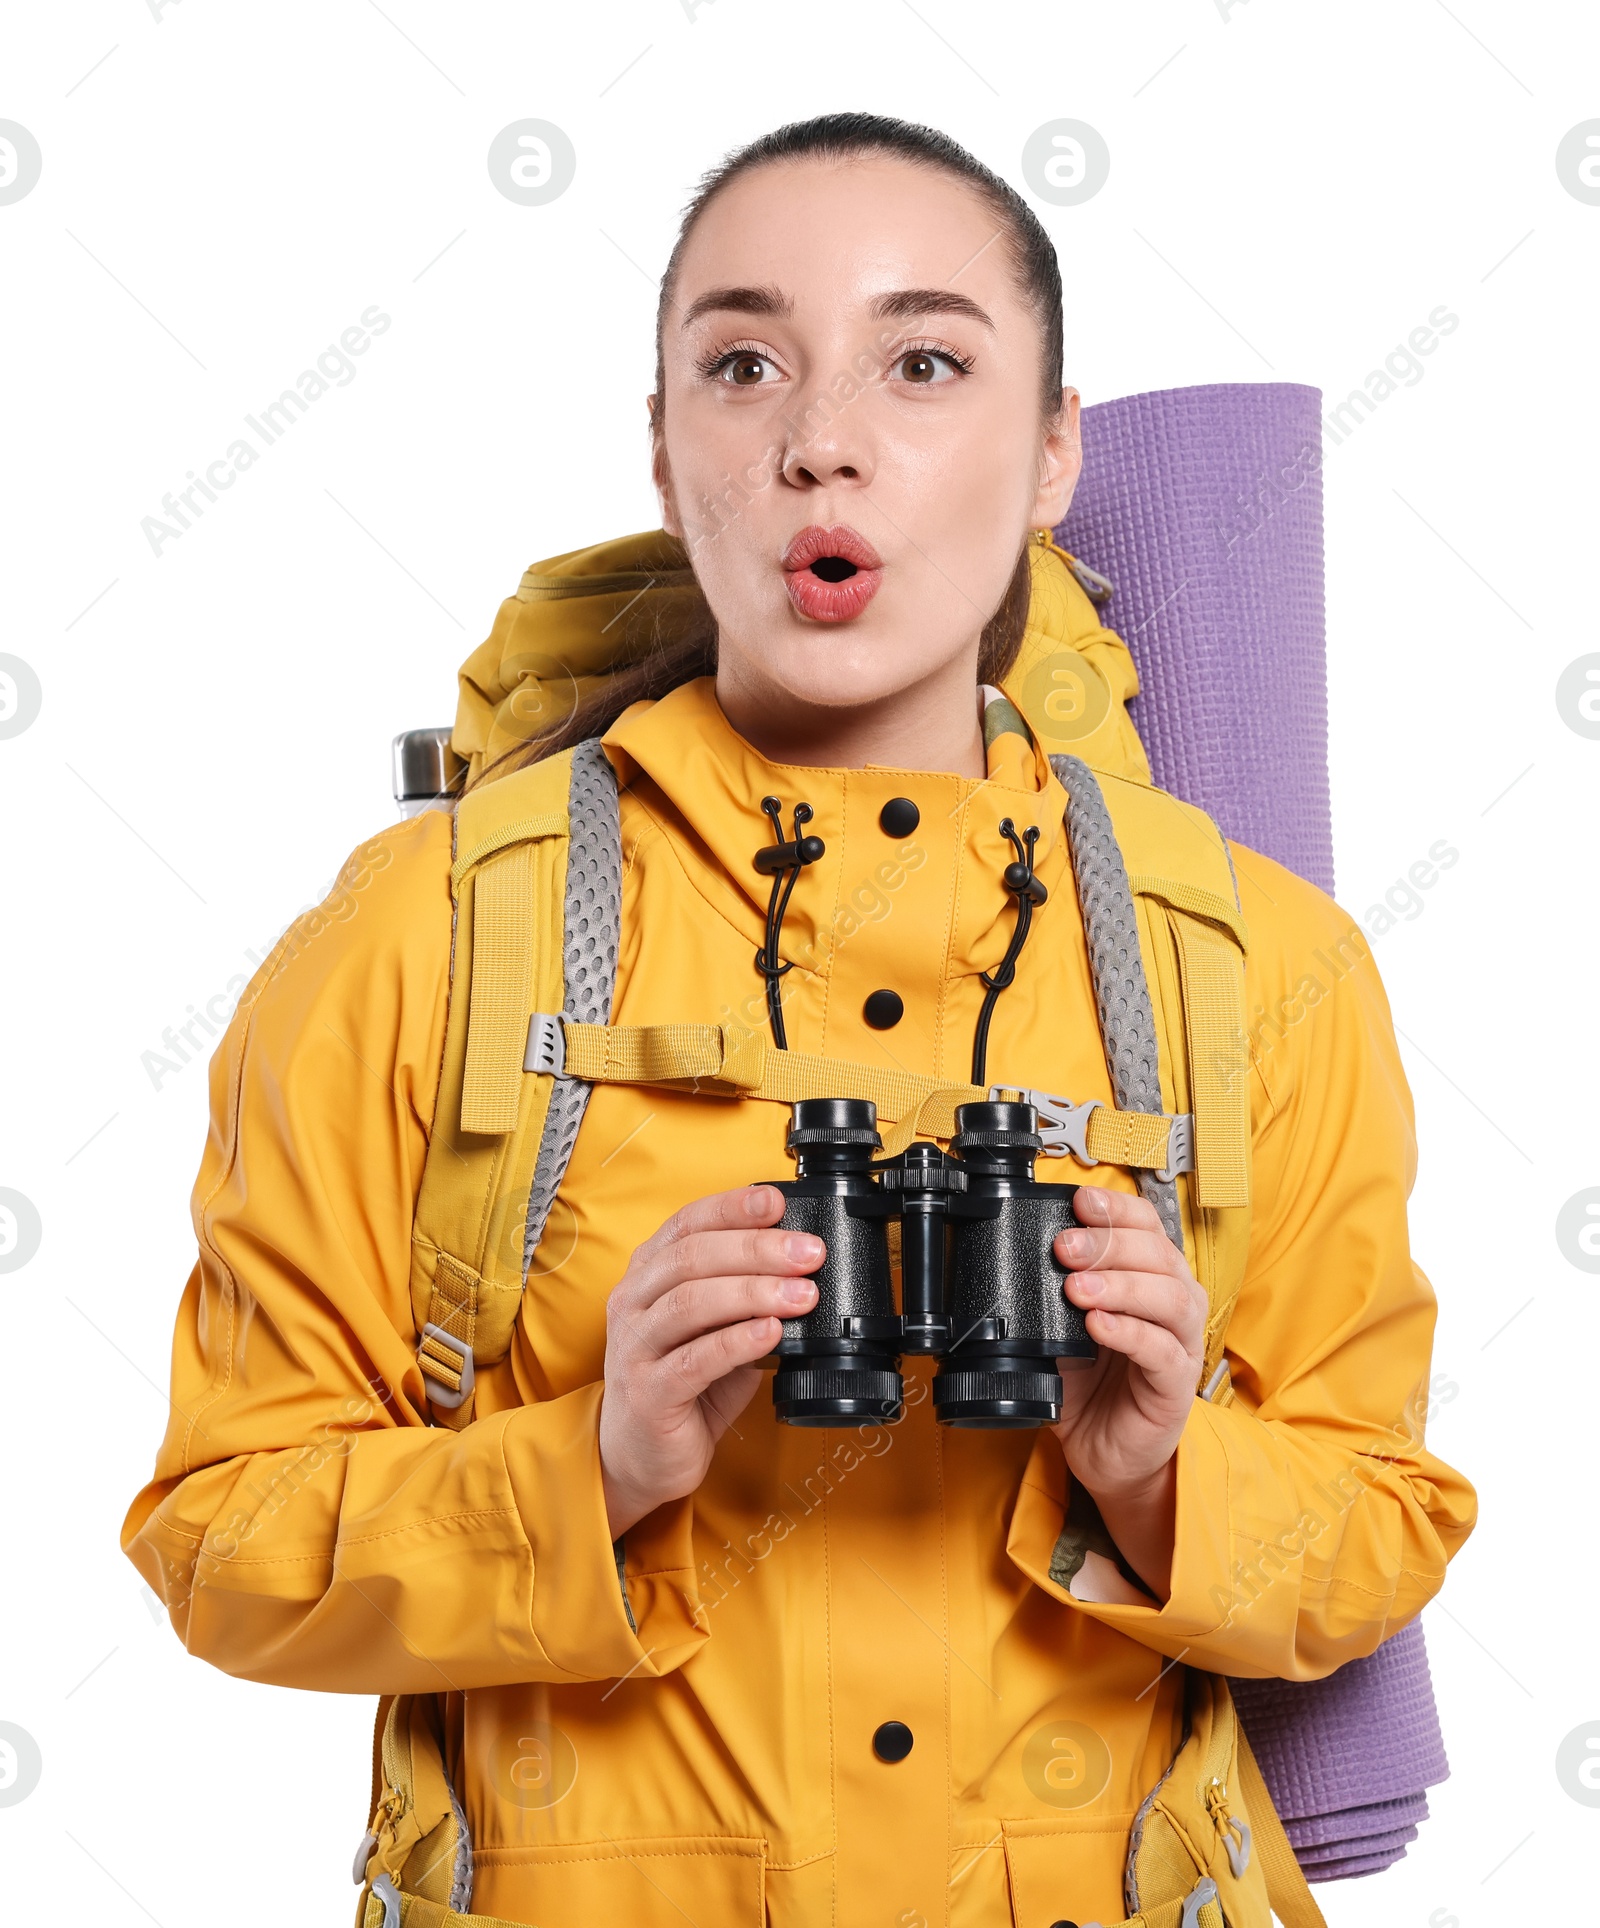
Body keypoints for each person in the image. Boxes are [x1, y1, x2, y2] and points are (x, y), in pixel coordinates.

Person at [123, 114, 1476, 1928]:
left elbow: (1379, 1523)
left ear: (1057, 449)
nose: (820, 440)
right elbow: (222, 1540)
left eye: (925, 363)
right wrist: (592, 1467)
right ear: (670, 460)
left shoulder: (1249, 966)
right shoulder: (428, 942)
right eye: (743, 366)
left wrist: (1158, 1478)